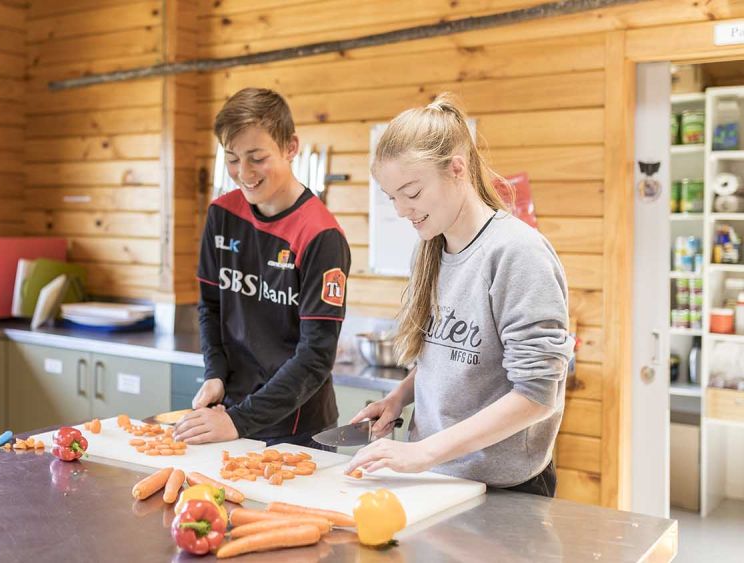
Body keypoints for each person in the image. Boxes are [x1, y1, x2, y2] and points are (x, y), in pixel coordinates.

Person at [345, 93, 575, 497]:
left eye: (412, 193)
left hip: (503, 488)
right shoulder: (430, 247)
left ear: (456, 170)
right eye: (391, 197)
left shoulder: (517, 253)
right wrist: (400, 397)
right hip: (435, 477)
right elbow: (447, 355)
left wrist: (425, 452)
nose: (401, 210)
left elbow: (537, 397)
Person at [172, 88, 351, 449]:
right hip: (230, 415)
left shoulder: (321, 235)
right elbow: (210, 306)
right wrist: (215, 373)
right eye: (233, 158)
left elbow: (315, 357)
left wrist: (240, 421)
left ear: (290, 147)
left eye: (257, 157)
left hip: (297, 429)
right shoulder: (221, 214)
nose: (244, 172)